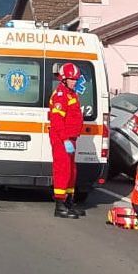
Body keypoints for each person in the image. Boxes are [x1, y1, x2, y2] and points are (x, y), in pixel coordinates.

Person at [48, 62, 84, 219]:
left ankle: (69, 202)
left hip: (70, 139)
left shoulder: (71, 94)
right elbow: (57, 121)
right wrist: (64, 139)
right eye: (71, 79)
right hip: (62, 139)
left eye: (76, 79)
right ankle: (60, 205)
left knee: (71, 171)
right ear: (63, 79)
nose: (74, 81)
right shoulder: (60, 95)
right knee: (62, 171)